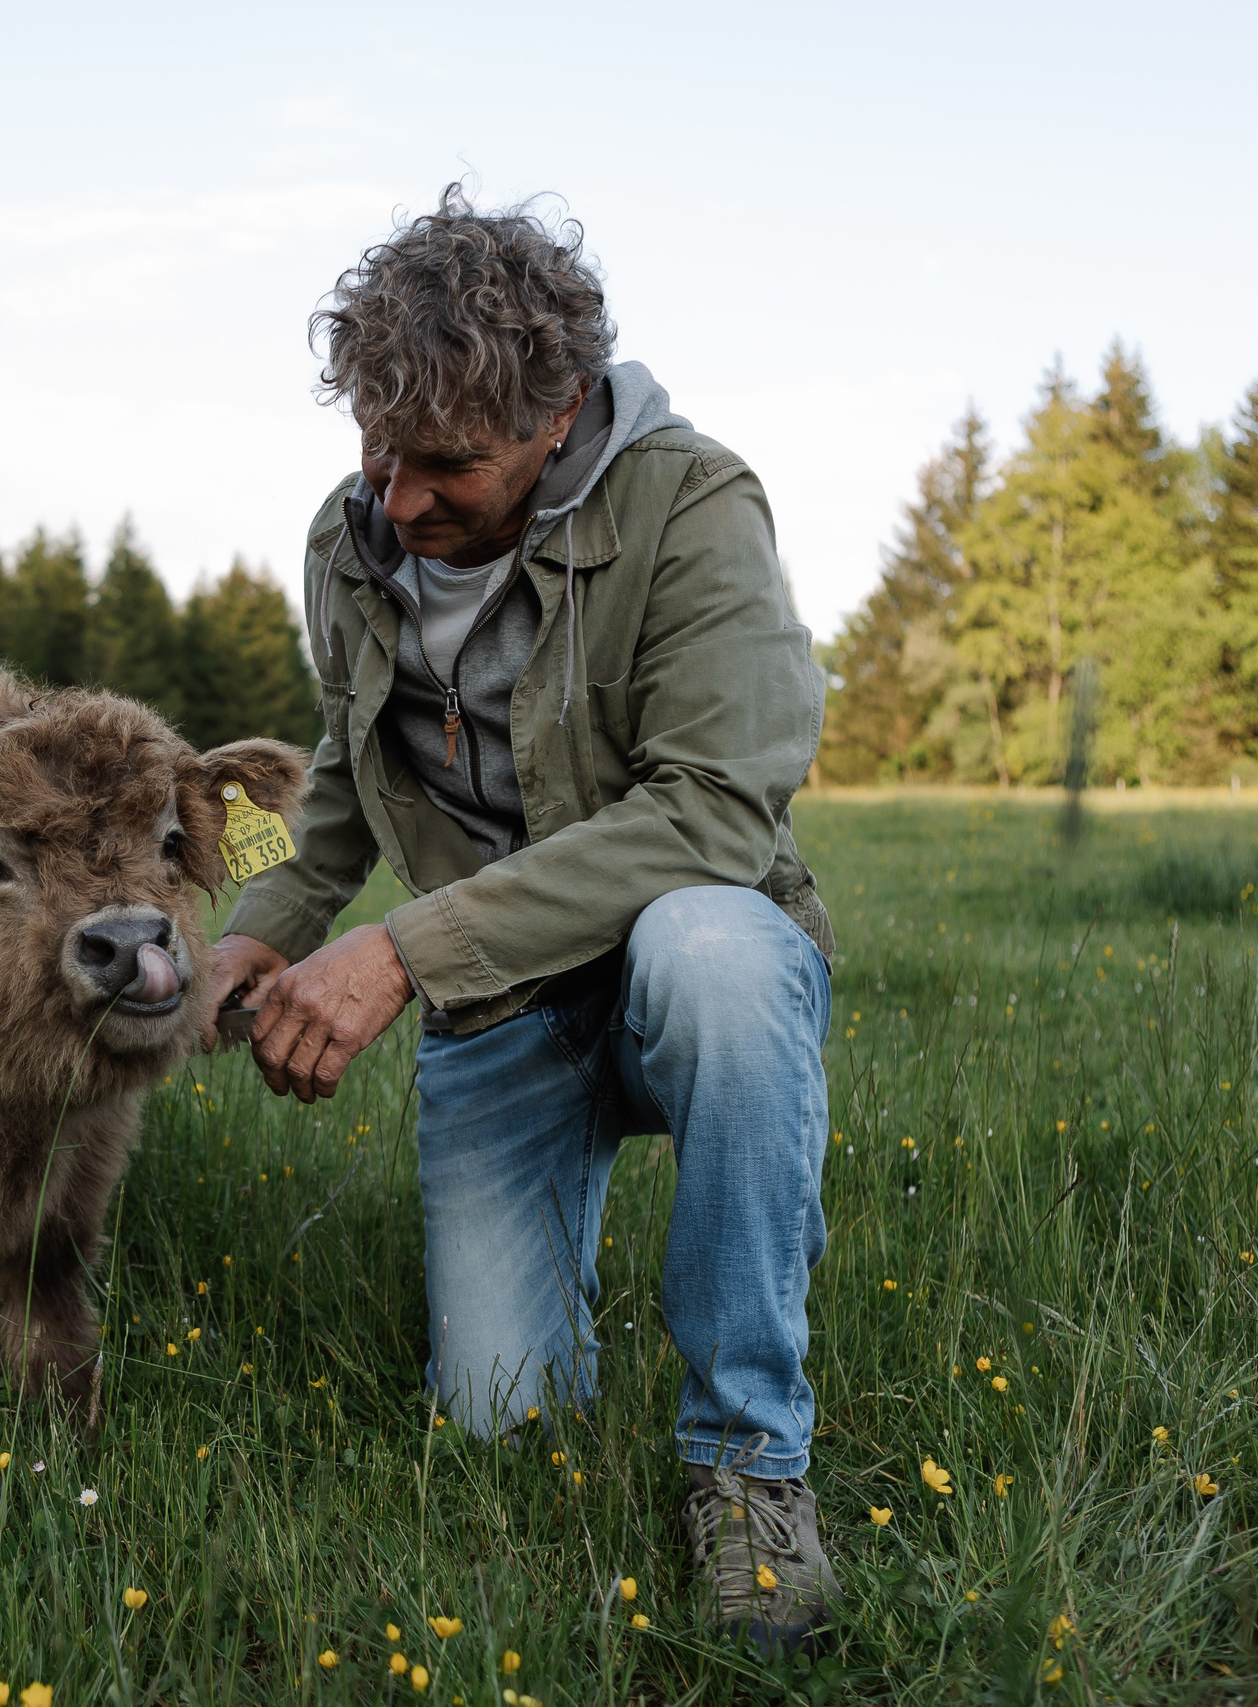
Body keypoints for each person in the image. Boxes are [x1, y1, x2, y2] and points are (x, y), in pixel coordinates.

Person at [201, 186, 840, 1657]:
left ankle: (750, 1465)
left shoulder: (693, 503)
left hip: (687, 958)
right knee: (500, 1420)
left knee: (714, 954)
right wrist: (262, 926)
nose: (401, 499)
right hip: (505, 1004)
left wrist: (399, 951)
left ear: (557, 419)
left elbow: (712, 814)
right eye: (380, 449)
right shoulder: (350, 543)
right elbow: (345, 776)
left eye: (447, 465)